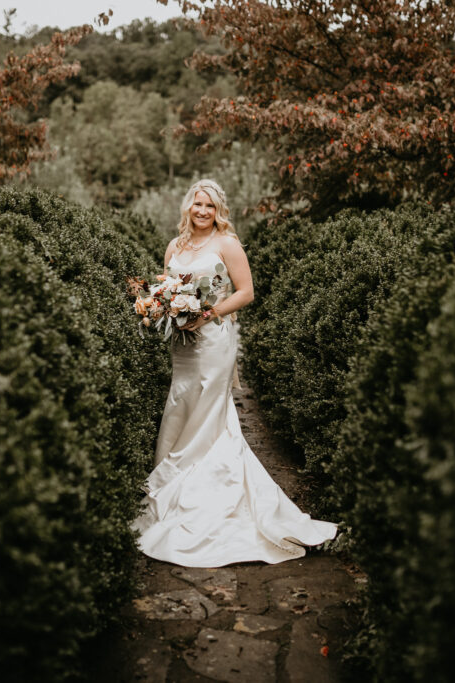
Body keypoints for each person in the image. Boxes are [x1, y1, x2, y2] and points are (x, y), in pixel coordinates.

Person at [132, 179, 337, 568]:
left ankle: (209, 498)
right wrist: (167, 308)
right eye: (198, 204)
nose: (203, 211)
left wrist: (206, 314)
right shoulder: (174, 247)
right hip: (182, 345)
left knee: (210, 411)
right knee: (181, 401)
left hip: (212, 341)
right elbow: (168, 286)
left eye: (210, 206)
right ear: (188, 207)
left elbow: (246, 292)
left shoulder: (227, 244)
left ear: (218, 210)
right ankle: (172, 486)